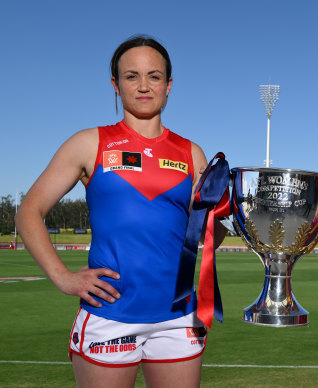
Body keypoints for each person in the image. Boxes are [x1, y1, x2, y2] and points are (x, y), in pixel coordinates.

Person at [15, 35, 225, 388]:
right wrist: (64, 278)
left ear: (169, 85)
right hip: (109, 314)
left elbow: (208, 239)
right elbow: (28, 212)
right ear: (115, 84)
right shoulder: (89, 143)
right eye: (132, 76)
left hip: (177, 319)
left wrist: (218, 210)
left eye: (154, 76)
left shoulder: (193, 153)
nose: (144, 86)